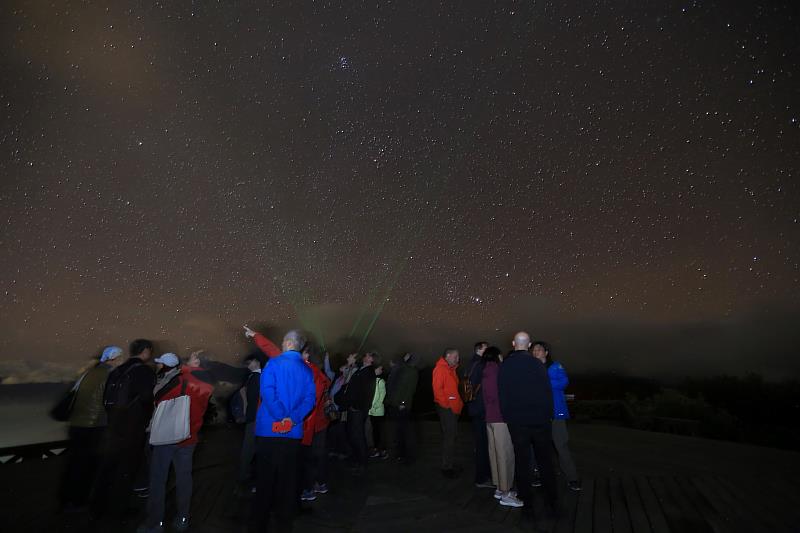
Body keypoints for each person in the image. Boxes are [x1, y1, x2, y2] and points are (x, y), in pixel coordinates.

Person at [247, 329, 316, 533]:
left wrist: (280, 417)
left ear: (287, 343)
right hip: (292, 434)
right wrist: (292, 419)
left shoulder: (274, 363)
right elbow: (309, 400)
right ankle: (284, 524)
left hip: (269, 430)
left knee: (265, 479)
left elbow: (267, 392)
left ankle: (260, 524)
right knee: (287, 480)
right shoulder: (306, 370)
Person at [138, 352, 214, 533]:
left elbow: (156, 397)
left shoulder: (181, 379)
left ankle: (155, 524)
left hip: (168, 436)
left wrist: (182, 369)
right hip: (189, 436)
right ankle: (182, 519)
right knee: (184, 479)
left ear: (195, 362)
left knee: (158, 480)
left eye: (191, 358)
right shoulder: (208, 383)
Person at [91, 339, 157, 519]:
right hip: (132, 425)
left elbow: (106, 397)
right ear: (145, 351)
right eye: (149, 351)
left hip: (114, 422)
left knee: (109, 464)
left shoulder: (117, 370)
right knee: (126, 468)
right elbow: (146, 398)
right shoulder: (144, 371)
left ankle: (98, 505)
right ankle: (118, 509)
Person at [498, 332, 557, 516]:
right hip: (540, 421)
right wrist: (547, 417)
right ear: (529, 344)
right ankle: (552, 499)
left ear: (514, 343)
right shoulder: (537, 364)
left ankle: (526, 499)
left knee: (522, 461)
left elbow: (503, 395)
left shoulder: (505, 365)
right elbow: (547, 394)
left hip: (517, 423)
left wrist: (509, 418)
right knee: (545, 460)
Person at [60, 346, 124, 512]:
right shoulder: (111, 375)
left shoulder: (88, 373)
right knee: (88, 467)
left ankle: (66, 499)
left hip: (76, 425)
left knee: (74, 464)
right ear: (114, 359)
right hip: (95, 427)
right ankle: (79, 502)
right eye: (120, 358)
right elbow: (112, 402)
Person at [531, 341, 581, 491]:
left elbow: (563, 382)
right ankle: (538, 474)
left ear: (546, 352)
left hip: (556, 414)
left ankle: (572, 478)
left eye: (539, 349)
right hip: (538, 415)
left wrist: (544, 378)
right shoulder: (530, 369)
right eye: (533, 350)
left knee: (561, 446)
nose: (535, 352)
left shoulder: (555, 366)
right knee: (538, 447)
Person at [480, 346, 521, 507]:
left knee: (495, 453)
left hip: (490, 418)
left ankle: (499, 488)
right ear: (497, 356)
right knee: (505, 454)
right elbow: (496, 395)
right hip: (500, 418)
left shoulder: (486, 370)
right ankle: (505, 493)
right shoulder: (496, 370)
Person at [300, 344, 331, 502]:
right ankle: (320, 483)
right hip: (321, 422)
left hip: (310, 423)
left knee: (308, 456)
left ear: (307, 355)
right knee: (318, 455)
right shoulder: (320, 372)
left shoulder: (308, 371)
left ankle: (308, 488)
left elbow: (308, 400)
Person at [343, 352, 377, 474]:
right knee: (354, 435)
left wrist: (356, 407)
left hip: (358, 409)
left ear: (372, 359)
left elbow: (365, 392)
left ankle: (362, 462)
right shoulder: (363, 370)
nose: (365, 356)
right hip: (355, 408)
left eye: (368, 355)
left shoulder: (368, 372)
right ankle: (357, 460)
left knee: (358, 436)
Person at [464, 341, 493, 488]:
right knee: (483, 444)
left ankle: (483, 476)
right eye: (487, 349)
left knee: (481, 443)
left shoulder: (471, 363)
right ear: (481, 350)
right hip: (481, 409)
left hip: (473, 408)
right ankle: (482, 478)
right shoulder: (481, 365)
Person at [432, 348, 463, 478]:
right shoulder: (440, 369)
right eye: (455, 356)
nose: (458, 358)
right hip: (448, 410)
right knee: (449, 437)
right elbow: (437, 389)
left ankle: (448, 464)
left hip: (452, 409)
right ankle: (447, 467)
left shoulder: (450, 369)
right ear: (448, 355)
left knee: (451, 436)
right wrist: (447, 405)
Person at [385, 352, 419, 463]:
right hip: (397, 404)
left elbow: (409, 390)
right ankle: (400, 453)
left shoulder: (411, 371)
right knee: (399, 430)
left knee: (402, 430)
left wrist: (403, 403)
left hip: (402, 406)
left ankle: (403, 454)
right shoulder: (404, 369)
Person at [237, 352, 263, 492]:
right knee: (252, 448)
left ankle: (246, 476)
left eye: (249, 362)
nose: (247, 365)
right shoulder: (254, 377)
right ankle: (249, 476)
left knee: (249, 448)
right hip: (255, 417)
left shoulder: (258, 377)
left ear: (257, 362)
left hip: (256, 418)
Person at [367, 365, 388, 459]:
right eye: (379, 368)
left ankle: (382, 450)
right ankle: (376, 449)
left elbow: (382, 395)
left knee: (380, 431)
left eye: (381, 368)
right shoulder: (371, 380)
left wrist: (375, 406)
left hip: (378, 411)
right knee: (375, 431)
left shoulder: (380, 381)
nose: (381, 370)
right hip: (371, 411)